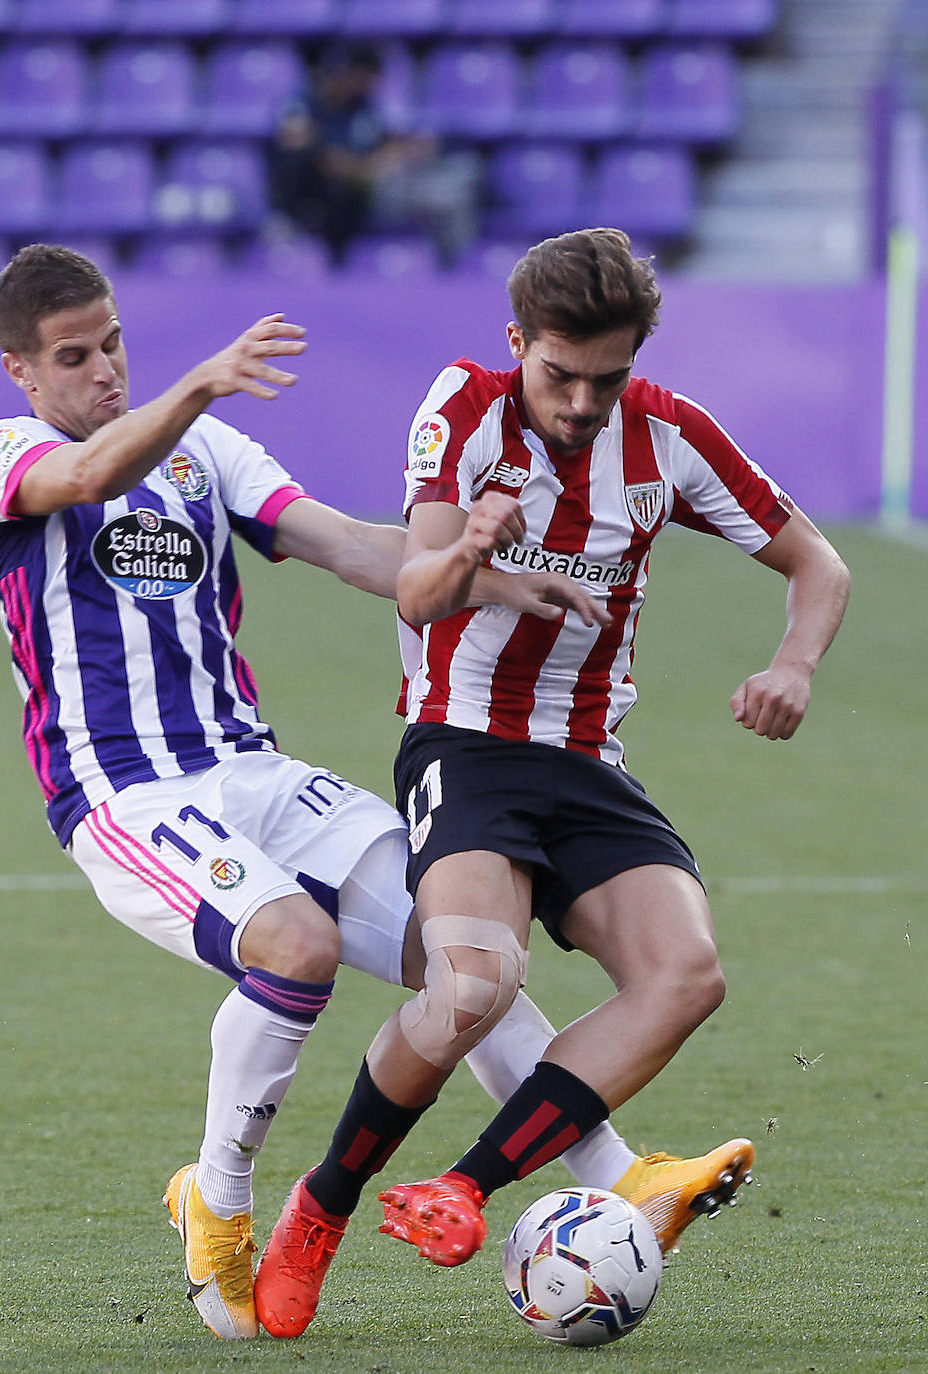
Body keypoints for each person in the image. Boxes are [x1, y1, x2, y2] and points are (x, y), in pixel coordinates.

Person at [0, 242, 656, 1344]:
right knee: (294, 945)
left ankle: (623, 1177)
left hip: (253, 769)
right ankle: (220, 1199)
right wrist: (195, 384)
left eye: (113, 345)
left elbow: (352, 549)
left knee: (461, 950)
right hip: (124, 792)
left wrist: (475, 574)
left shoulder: (207, 452)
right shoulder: (2, 451)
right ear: (21, 371)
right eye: (73, 357)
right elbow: (85, 481)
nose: (103, 372)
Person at [254, 227, 851, 1338]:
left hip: (584, 763)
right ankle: (320, 1207)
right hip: (464, 748)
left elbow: (816, 560)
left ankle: (463, 1188)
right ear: (516, 340)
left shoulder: (667, 437)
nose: (579, 403)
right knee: (473, 984)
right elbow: (418, 596)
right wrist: (475, 546)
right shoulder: (464, 409)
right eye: (559, 374)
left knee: (685, 975)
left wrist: (791, 665)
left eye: (605, 377)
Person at [267, 42, 481, 268]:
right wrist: (366, 166)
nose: (367, 86)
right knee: (309, 168)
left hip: (368, 191)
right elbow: (317, 158)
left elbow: (382, 144)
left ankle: (454, 265)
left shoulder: (363, 108)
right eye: (363, 78)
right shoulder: (304, 103)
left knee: (454, 183)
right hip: (323, 195)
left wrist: (408, 149)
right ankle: (288, 223)